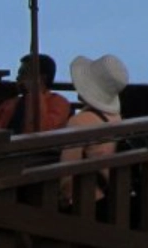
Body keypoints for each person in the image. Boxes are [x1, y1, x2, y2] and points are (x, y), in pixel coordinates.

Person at [58, 53, 130, 212]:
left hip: (85, 201)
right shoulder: (114, 116)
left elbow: (67, 173)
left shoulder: (80, 121)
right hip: (108, 196)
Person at [0, 53, 71, 134]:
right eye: (19, 74)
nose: (18, 78)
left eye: (24, 74)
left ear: (42, 78)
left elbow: (41, 130)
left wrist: (34, 93)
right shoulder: (10, 104)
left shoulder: (58, 103)